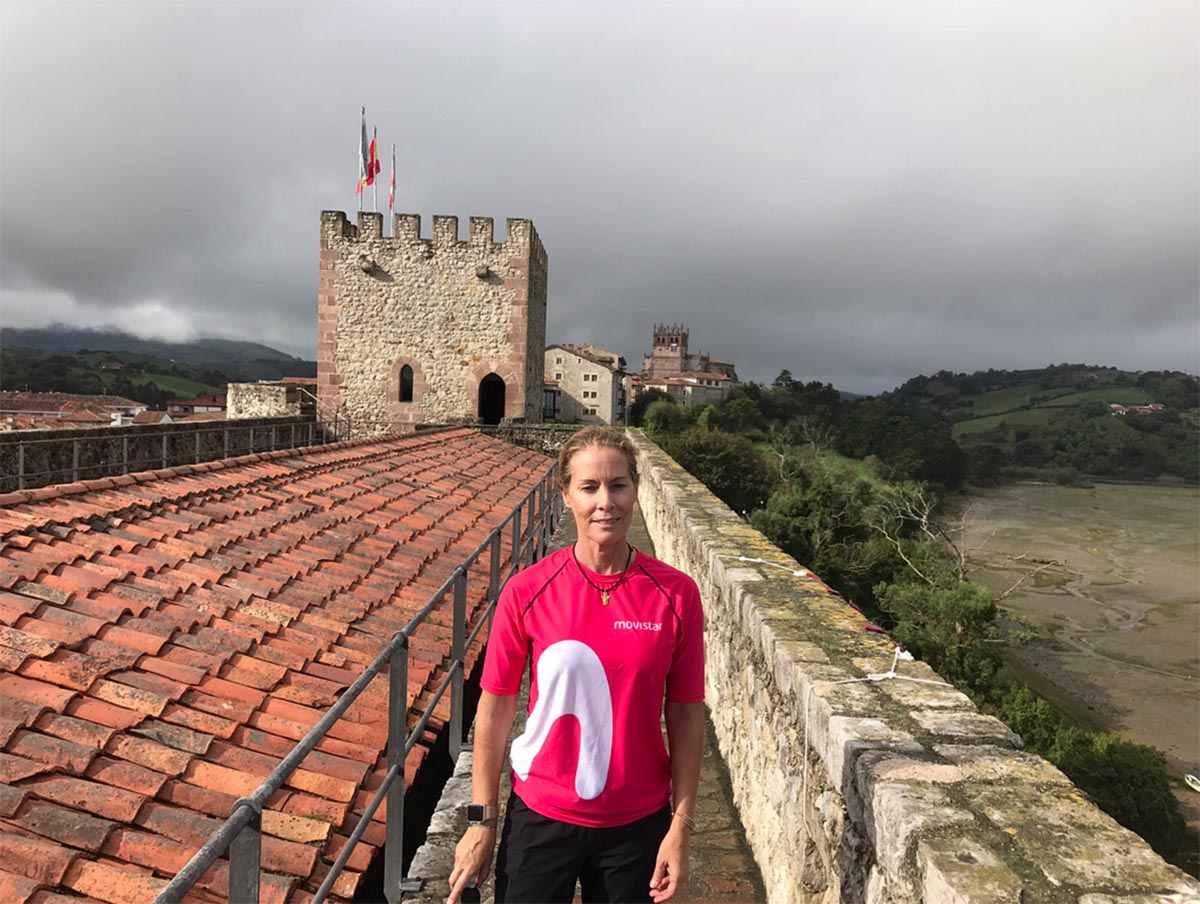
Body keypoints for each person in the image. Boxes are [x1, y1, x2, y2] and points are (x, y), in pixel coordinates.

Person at [447, 426, 706, 904]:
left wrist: (681, 826)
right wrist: (482, 822)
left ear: (635, 490)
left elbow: (687, 713)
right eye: (589, 487)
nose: (605, 501)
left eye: (618, 485)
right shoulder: (527, 590)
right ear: (565, 495)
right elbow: (496, 709)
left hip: (637, 826)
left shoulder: (676, 595)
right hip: (541, 818)